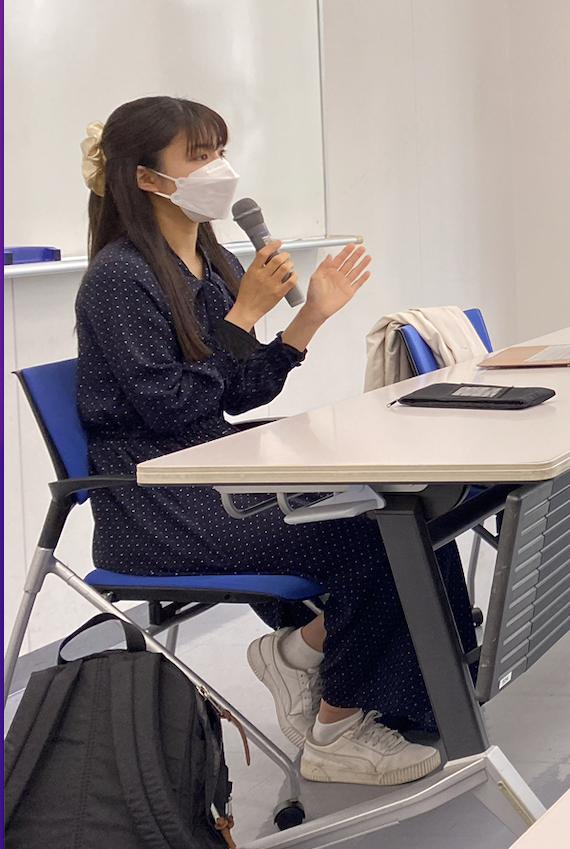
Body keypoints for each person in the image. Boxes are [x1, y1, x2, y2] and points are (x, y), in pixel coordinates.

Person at [75, 97, 477, 787]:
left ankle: (348, 669)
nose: (219, 168)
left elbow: (237, 391)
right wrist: (243, 315)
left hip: (214, 473)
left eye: (219, 150)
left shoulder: (208, 259)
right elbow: (169, 408)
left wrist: (308, 319)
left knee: (400, 504)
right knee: (376, 532)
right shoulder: (119, 276)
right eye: (199, 156)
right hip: (155, 502)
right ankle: (335, 731)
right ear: (147, 178)